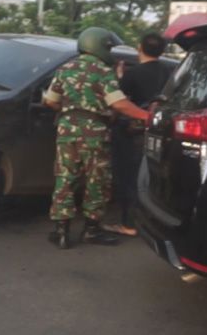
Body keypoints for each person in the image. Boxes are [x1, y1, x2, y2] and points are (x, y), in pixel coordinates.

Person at [42, 27, 150, 250]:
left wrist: (71, 108)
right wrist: (147, 116)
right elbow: (119, 103)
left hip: (66, 130)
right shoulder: (102, 70)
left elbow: (50, 101)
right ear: (99, 45)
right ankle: (91, 230)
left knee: (65, 178)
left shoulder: (65, 68)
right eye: (108, 47)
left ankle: (61, 232)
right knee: (96, 180)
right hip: (94, 133)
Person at [105, 33, 171, 237]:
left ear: (139, 47)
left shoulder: (133, 74)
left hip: (132, 133)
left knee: (129, 179)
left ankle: (129, 224)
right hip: (160, 132)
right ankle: (150, 221)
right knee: (151, 178)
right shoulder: (170, 71)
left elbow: (120, 103)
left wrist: (120, 80)